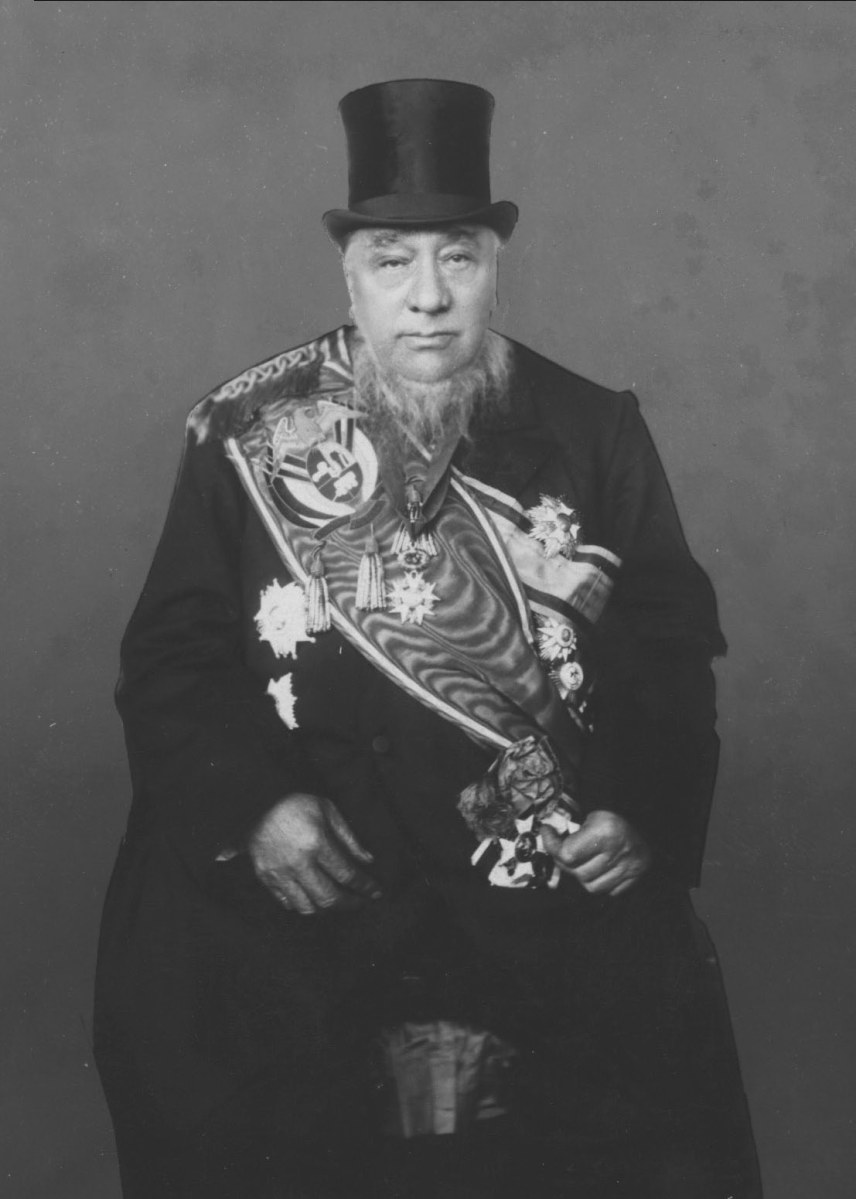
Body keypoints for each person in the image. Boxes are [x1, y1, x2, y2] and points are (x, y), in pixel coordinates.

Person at [95, 79, 762, 1198]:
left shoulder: (593, 426)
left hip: (526, 901)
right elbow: (171, 654)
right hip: (319, 899)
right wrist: (256, 806)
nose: (429, 298)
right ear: (348, 272)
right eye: (392, 261)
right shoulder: (242, 430)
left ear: (495, 265)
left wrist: (638, 808)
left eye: (459, 258)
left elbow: (668, 642)